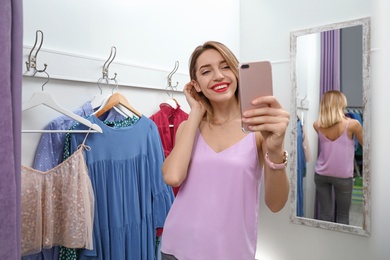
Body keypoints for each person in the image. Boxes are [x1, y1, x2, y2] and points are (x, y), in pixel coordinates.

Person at [160, 41, 290, 260]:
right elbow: (173, 176)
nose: (218, 76)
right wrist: (196, 112)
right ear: (196, 85)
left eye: (225, 66)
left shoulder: (258, 131)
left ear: (237, 73)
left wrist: (276, 149)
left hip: (230, 252)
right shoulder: (188, 127)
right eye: (206, 71)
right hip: (177, 247)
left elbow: (276, 204)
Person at [313, 90, 363, 225]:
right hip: (343, 177)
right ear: (340, 104)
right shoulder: (353, 124)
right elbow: (366, 145)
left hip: (321, 174)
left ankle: (325, 243)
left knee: (325, 214)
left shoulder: (317, 124)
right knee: (342, 216)